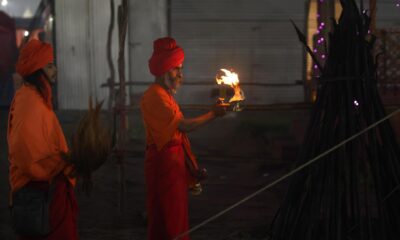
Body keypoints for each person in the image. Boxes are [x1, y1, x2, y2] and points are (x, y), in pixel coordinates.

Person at [140, 37, 226, 240]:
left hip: (173, 164)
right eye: (175, 69)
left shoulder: (165, 95)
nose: (180, 74)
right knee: (170, 221)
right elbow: (183, 126)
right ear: (163, 70)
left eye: (180, 68)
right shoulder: (155, 96)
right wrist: (213, 114)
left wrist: (190, 169)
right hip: (164, 166)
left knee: (172, 219)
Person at [7, 39, 78, 240]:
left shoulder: (38, 98)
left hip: (50, 190)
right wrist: (62, 164)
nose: (55, 70)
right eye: (49, 65)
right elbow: (27, 156)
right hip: (41, 193)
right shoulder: (29, 102)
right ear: (37, 70)